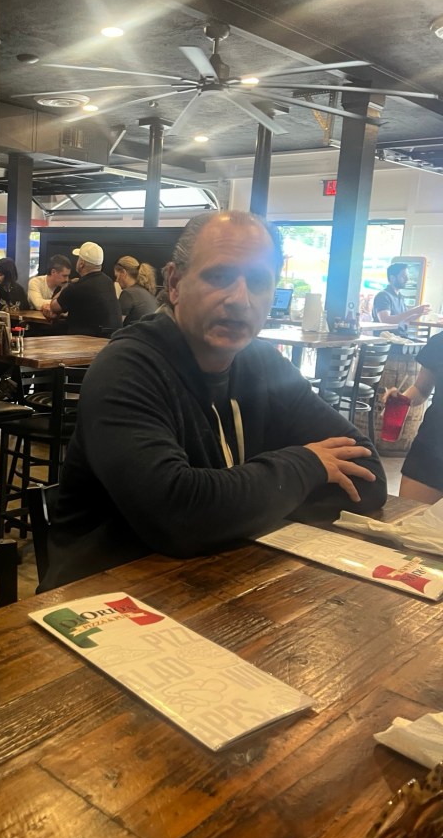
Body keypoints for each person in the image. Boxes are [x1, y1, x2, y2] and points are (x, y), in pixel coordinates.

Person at [40, 210, 387, 591]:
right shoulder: (126, 368)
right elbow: (178, 516)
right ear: (175, 283)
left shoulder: (265, 364)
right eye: (219, 277)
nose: (240, 299)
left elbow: (369, 476)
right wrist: (304, 467)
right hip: (106, 596)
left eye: (258, 282)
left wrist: (229, 510)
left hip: (222, 579)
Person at [385, 331, 443, 504]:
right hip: (433, 443)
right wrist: (402, 399)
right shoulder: (439, 342)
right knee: (409, 514)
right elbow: (421, 389)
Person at [44, 241, 122, 336]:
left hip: (88, 339)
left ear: (81, 263)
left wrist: (67, 286)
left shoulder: (77, 286)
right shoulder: (108, 281)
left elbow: (54, 307)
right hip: (112, 338)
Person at [371, 262, 429, 336]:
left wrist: (420, 312)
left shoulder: (400, 296)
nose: (407, 279)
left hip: (401, 336)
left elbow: (405, 320)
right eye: (403, 276)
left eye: (407, 276)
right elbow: (385, 320)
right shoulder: (383, 296)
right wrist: (413, 311)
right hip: (388, 338)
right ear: (392, 278)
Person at [113, 255, 159, 325]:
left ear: (123, 273)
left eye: (116, 276)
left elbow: (117, 324)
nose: (116, 280)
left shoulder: (128, 293)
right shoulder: (148, 293)